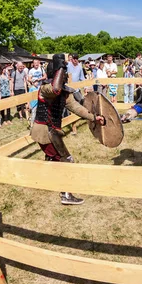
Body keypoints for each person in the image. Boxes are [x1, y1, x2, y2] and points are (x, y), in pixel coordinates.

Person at [30, 54, 105, 205]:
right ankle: (66, 194)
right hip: (45, 131)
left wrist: (93, 117)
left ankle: (54, 182)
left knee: (54, 158)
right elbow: (55, 89)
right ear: (57, 73)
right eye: (63, 73)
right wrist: (59, 66)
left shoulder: (64, 92)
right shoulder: (45, 89)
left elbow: (76, 107)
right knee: (66, 160)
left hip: (53, 132)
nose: (65, 76)